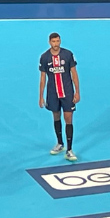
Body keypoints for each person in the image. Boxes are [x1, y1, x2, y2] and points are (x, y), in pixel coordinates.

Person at [38, 31, 79, 161]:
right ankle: (60, 143)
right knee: (56, 116)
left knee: (68, 118)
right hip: (52, 93)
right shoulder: (44, 57)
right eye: (53, 41)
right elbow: (43, 78)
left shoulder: (68, 55)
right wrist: (41, 96)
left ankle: (70, 149)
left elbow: (74, 73)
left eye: (57, 41)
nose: (56, 44)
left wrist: (77, 91)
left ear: (60, 41)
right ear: (49, 42)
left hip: (67, 92)